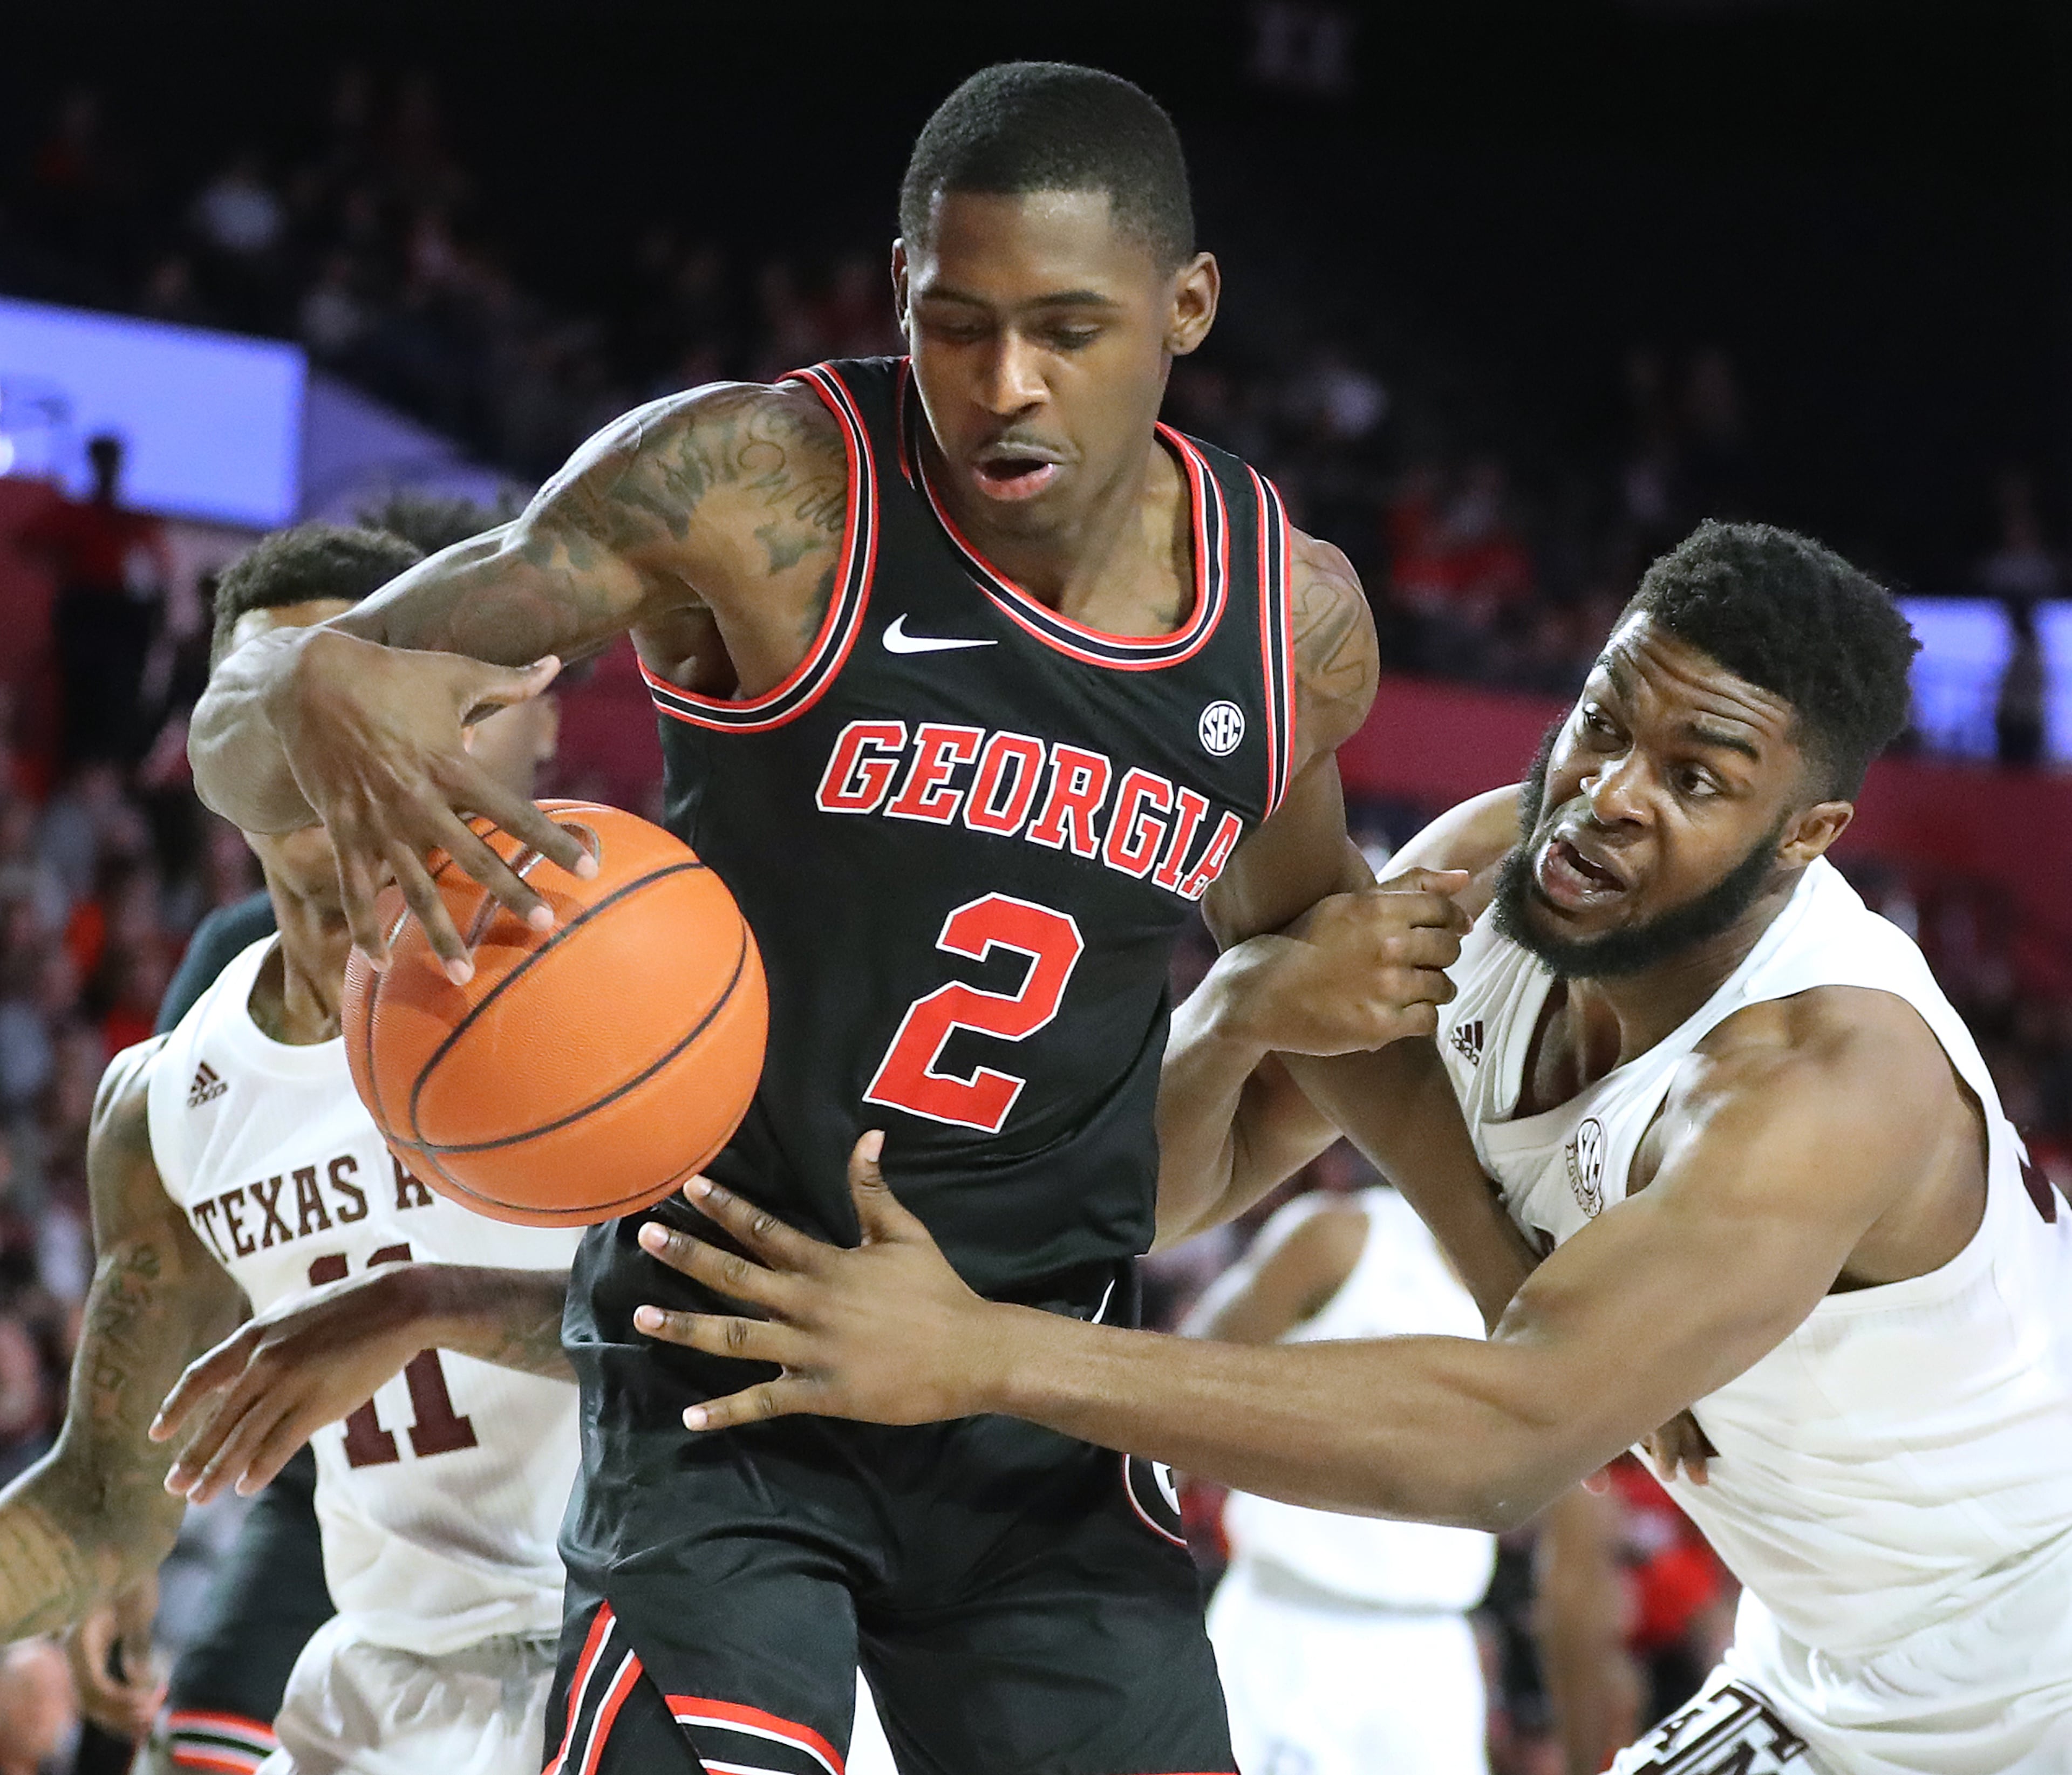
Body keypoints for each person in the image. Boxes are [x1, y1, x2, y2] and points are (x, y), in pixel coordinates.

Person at [187, 62, 1491, 1775]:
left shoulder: (1286, 623)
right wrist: (310, 680)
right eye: (956, 325)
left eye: (1068, 330)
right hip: (724, 1350)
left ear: (1187, 307)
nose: (1005, 384)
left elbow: (1340, 1001)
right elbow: (257, 729)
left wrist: (1520, 1288)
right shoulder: (757, 486)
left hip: (1032, 1381)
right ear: (898, 291)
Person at [629, 521, 2072, 1774]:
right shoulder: (1484, 880)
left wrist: (985, 1353)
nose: (1610, 793)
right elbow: (1169, 1195)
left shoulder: (1822, 1081)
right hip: (1836, 1664)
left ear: (1806, 834)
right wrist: (1238, 1014)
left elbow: (1506, 1444)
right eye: (1605, 720)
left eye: (1696, 780)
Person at [0, 524, 589, 1775]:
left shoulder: (592, 976)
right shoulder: (166, 1101)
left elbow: (724, 1329)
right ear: (214, 754)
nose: (317, 746)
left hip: (637, 1644)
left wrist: (435, 1305)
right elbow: (99, 1508)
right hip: (383, 1678)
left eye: (350, 695)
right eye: (272, 710)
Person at [1187, 1184, 1496, 1775]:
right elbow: (1185, 1383)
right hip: (1286, 1626)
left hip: (1431, 1653)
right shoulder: (1344, 1241)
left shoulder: (1548, 1297)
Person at [18, 435, 172, 769]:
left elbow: (159, 570)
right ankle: (82, 769)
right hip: (89, 616)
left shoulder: (129, 518)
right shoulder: (80, 513)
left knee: (115, 702)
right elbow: (29, 538)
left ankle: (105, 768)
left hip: (120, 621)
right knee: (82, 702)